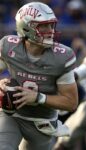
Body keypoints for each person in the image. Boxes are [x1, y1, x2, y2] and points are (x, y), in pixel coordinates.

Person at [0, 2, 78, 150]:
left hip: (42, 121)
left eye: (51, 25)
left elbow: (71, 102)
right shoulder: (8, 46)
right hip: (12, 114)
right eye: (43, 26)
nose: (50, 31)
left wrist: (38, 97)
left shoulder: (61, 57)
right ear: (26, 27)